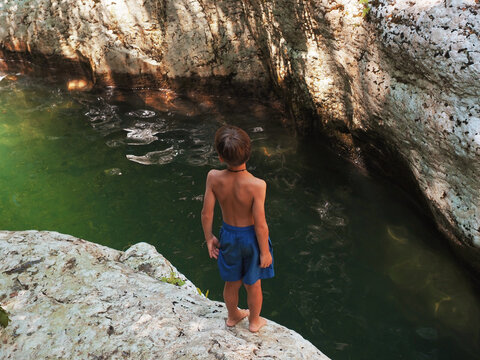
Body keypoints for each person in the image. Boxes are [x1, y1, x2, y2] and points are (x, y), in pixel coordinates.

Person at [201, 124, 274, 333]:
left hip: (229, 237)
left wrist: (209, 238)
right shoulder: (257, 185)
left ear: (220, 157)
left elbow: (207, 213)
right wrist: (265, 251)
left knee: (231, 283)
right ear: (249, 153)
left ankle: (233, 316)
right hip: (251, 239)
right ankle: (254, 321)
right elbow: (260, 224)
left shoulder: (213, 177)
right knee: (254, 284)